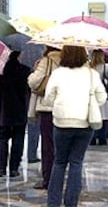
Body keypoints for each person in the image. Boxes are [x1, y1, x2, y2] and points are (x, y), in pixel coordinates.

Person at [44, 45, 107, 207]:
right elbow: (102, 97)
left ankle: (53, 202)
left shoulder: (58, 74)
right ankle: (71, 202)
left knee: (59, 162)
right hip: (85, 122)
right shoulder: (91, 74)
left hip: (61, 123)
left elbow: (48, 98)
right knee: (76, 162)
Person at [0, 51, 31, 177]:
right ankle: (14, 168)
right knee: (18, 139)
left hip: (4, 111)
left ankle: (1, 168)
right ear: (19, 55)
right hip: (20, 110)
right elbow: (29, 89)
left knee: (3, 139)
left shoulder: (0, 72)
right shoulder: (25, 71)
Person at [27, 46, 61, 190]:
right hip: (64, 107)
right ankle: (60, 177)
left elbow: (33, 82)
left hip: (47, 107)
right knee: (60, 146)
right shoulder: (69, 61)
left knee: (48, 145)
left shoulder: (46, 61)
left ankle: (48, 179)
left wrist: (34, 71)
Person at [89, 49, 108, 146]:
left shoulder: (90, 67)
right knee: (103, 118)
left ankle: (93, 138)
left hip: (92, 93)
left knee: (93, 116)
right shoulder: (106, 67)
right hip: (103, 93)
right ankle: (102, 138)